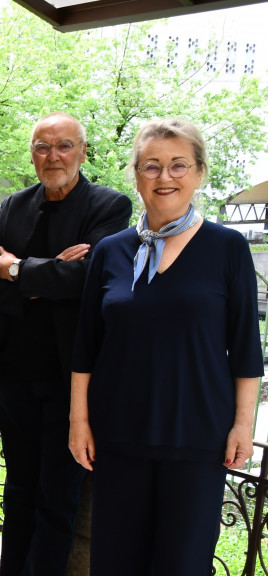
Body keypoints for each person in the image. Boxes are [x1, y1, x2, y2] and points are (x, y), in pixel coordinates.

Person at [69, 118, 262, 575]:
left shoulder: (228, 248)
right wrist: (79, 422)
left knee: (182, 564)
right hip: (119, 434)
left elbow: (245, 347)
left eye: (178, 165)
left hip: (197, 437)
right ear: (136, 175)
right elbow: (86, 347)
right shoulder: (111, 251)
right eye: (151, 166)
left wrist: (242, 423)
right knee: (116, 561)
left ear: (198, 173)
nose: (164, 178)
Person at [0, 112, 132, 576]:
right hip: (15, 371)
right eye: (42, 146)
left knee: (58, 499)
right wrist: (49, 273)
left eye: (63, 146)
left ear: (81, 152)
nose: (53, 155)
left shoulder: (109, 207)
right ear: (33, 154)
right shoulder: (14, 206)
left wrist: (17, 270)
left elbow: (89, 278)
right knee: (18, 490)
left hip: (72, 379)